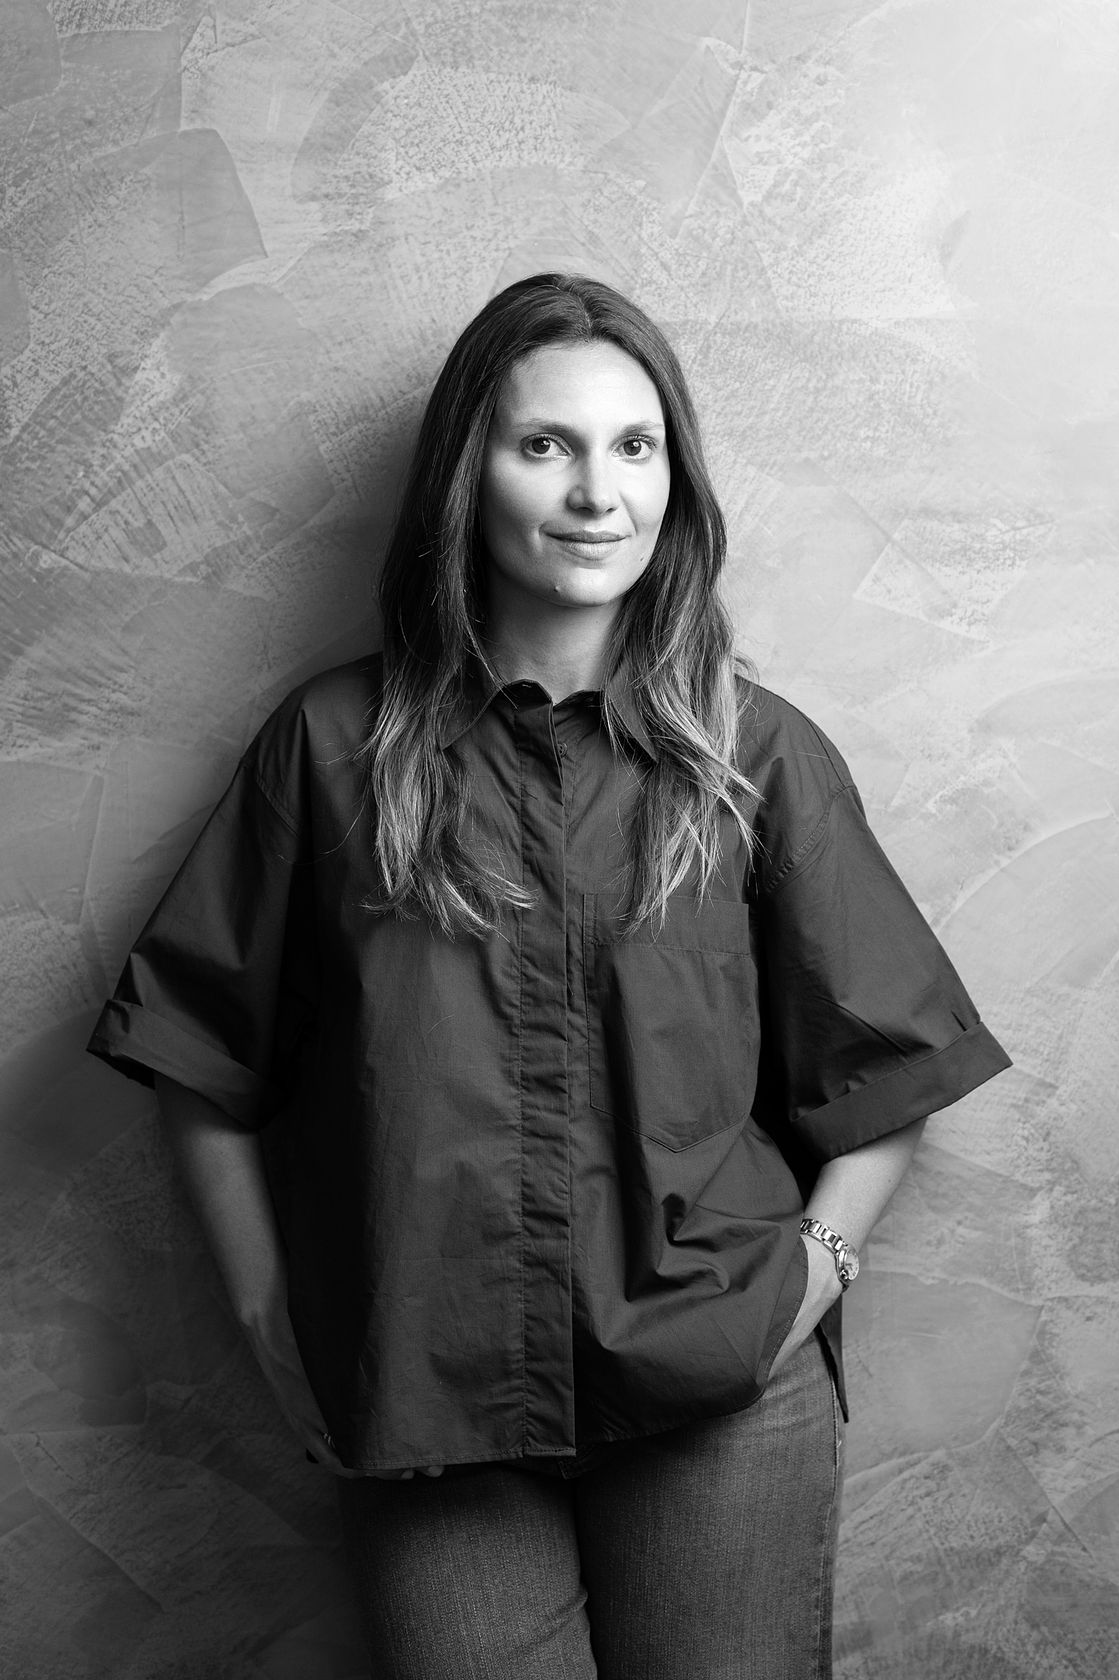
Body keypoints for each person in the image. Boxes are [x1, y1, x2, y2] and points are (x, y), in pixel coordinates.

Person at [87, 273, 1010, 1680]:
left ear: (675, 483)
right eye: (545, 445)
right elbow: (200, 1058)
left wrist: (810, 1279)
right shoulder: (329, 748)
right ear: (470, 475)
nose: (596, 493)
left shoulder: (756, 758)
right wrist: (276, 1326)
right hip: (424, 1408)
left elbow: (891, 1069)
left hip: (717, 1394)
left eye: (634, 446)